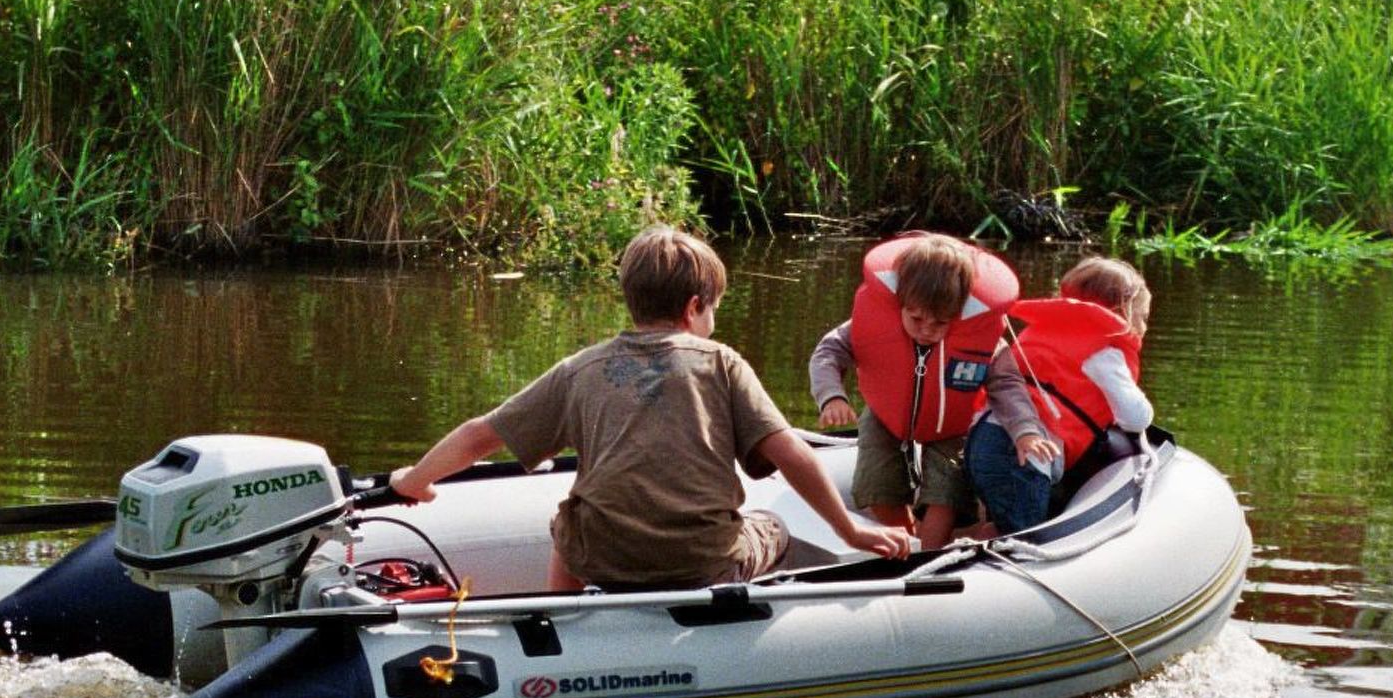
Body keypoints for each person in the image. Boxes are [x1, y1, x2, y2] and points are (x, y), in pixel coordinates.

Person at [388, 225, 912, 590]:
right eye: (714, 310)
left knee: (568, 524)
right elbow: (791, 453)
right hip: (702, 560)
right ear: (694, 308)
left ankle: (561, 617)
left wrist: (415, 480)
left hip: (604, 557)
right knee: (772, 526)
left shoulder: (581, 369)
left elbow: (481, 434)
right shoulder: (721, 362)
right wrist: (850, 530)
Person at [809, 232, 1019, 552]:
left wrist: (1024, 431)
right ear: (900, 302)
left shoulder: (982, 338)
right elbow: (828, 353)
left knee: (946, 495)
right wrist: (832, 396)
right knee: (876, 487)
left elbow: (1008, 386)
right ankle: (907, 541)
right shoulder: (872, 321)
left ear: (960, 313)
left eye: (940, 323)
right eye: (917, 318)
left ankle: (928, 554)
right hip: (886, 414)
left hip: (952, 425)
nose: (926, 330)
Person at [965, 255, 1154, 535]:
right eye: (1143, 317)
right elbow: (1135, 418)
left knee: (1002, 523)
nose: (1144, 326)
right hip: (1023, 453)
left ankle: (970, 538)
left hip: (982, 437)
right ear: (1123, 310)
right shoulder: (1105, 351)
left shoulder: (1036, 333)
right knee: (1025, 538)